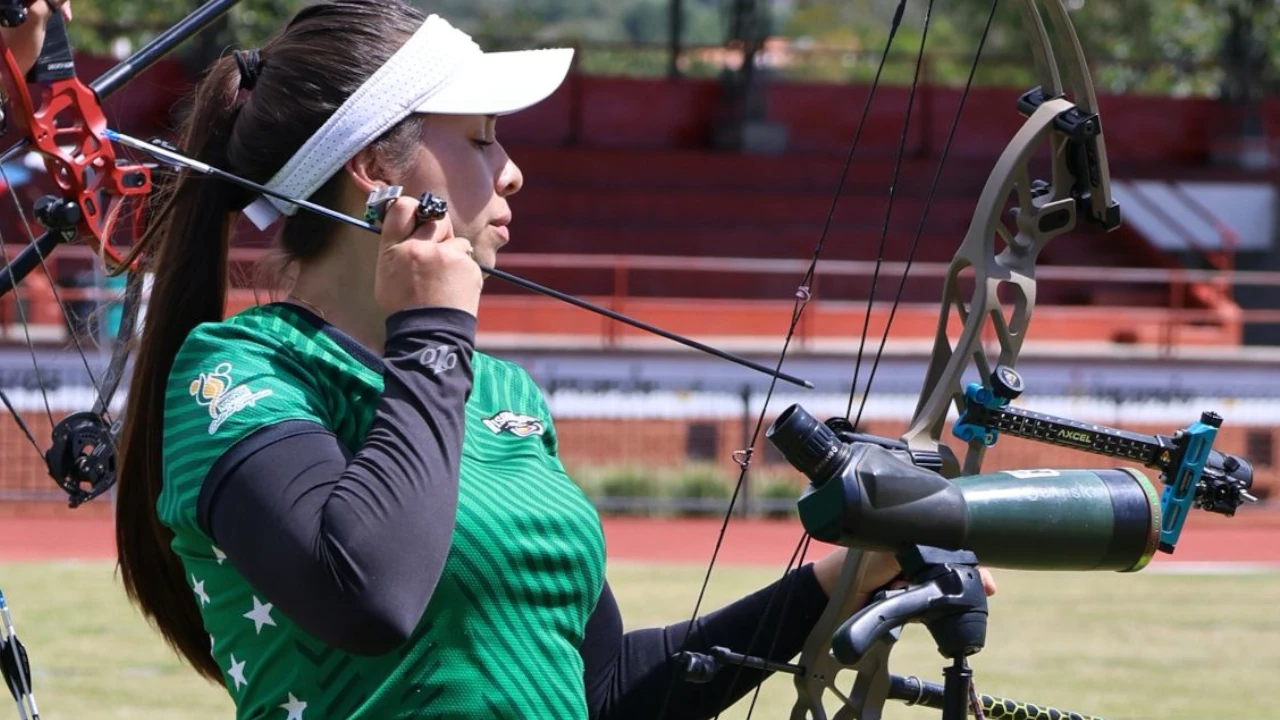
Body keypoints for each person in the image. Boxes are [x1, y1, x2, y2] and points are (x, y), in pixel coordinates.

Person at [23, 2, 1009, 719]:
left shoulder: (499, 395)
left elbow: (600, 692)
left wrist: (834, 584)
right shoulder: (236, 374)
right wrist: (433, 333)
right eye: (482, 139)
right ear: (373, 173)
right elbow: (367, 594)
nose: (512, 170)